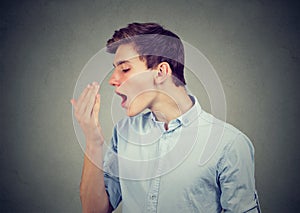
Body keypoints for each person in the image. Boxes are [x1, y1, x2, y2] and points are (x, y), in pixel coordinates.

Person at [70, 22, 261, 213]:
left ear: (161, 72)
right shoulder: (124, 132)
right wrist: (93, 141)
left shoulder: (229, 144)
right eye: (115, 69)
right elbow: (94, 210)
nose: (112, 80)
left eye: (125, 69)